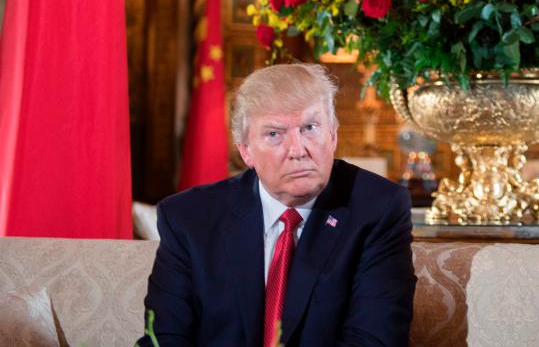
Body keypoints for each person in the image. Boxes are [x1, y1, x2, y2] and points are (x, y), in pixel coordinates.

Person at [140, 63, 416, 347]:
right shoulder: (189, 219)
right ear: (246, 151)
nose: (297, 150)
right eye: (274, 134)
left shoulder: (377, 209)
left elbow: (374, 341)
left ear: (333, 134)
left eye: (310, 128)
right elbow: (164, 338)